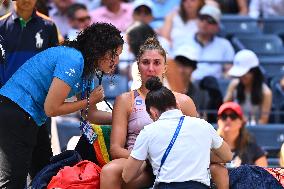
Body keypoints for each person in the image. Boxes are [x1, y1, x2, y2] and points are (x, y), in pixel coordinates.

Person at [0, 22, 124, 188]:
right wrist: (88, 101)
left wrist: (123, 118)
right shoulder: (74, 59)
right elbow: (51, 108)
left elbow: (90, 114)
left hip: (33, 118)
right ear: (99, 48)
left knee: (45, 174)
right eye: (113, 54)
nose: (116, 60)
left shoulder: (87, 70)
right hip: (15, 110)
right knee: (14, 180)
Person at [100, 37, 198, 189]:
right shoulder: (125, 100)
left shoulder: (183, 101)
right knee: (109, 171)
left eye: (157, 63)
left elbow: (197, 140)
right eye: (145, 62)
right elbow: (116, 149)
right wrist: (147, 157)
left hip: (174, 161)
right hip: (139, 161)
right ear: (138, 66)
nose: (151, 69)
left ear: (165, 67)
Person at [122, 76, 233, 189]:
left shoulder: (148, 131)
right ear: (177, 105)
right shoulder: (203, 125)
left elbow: (126, 176)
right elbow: (227, 156)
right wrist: (198, 154)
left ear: (153, 112)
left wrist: (148, 159)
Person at [0, 0, 60, 181]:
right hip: (8, 107)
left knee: (42, 166)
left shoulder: (48, 26)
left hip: (39, 105)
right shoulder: (1, 26)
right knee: (12, 170)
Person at [224, 49, 272, 125]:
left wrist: (246, 123)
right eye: (240, 74)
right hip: (234, 129)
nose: (241, 77)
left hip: (255, 132)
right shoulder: (234, 85)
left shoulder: (266, 93)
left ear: (254, 72)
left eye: (245, 74)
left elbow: (263, 121)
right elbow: (224, 109)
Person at [217, 102, 268, 167]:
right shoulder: (211, 146)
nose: (228, 119)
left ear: (241, 121)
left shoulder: (251, 145)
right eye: (224, 116)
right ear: (218, 121)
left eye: (233, 116)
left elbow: (263, 172)